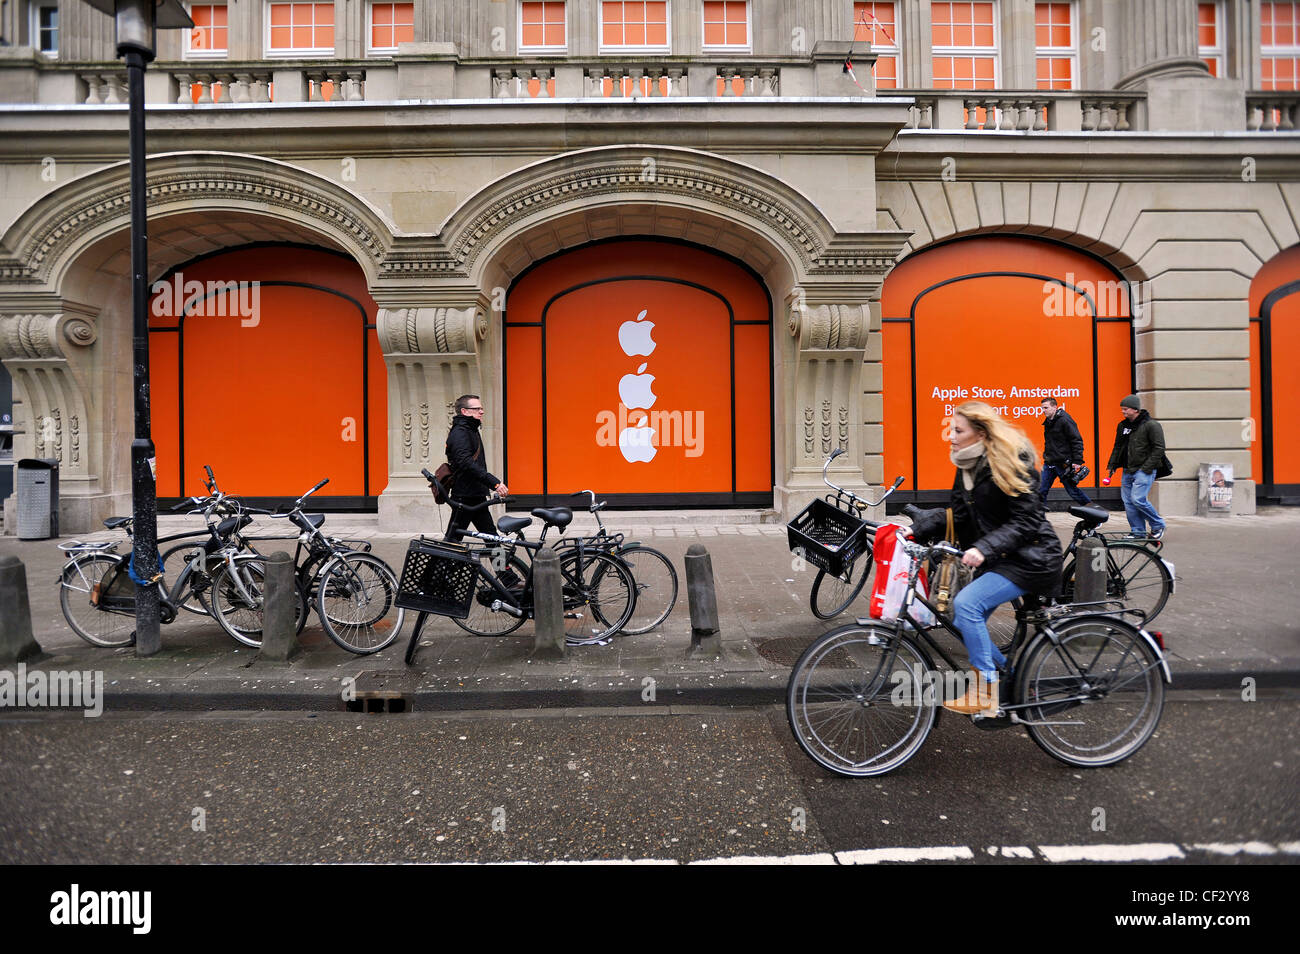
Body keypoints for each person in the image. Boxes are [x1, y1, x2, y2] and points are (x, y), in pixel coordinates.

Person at [908, 401, 1064, 717]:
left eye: (958, 430)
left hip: (1032, 556)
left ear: (979, 433)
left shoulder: (1010, 460)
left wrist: (984, 548)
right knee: (961, 617)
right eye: (952, 429)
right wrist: (914, 531)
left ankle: (987, 688)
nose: (950, 436)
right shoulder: (966, 466)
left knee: (967, 605)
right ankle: (1009, 676)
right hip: (1004, 557)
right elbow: (958, 516)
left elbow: (1027, 521)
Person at [443, 394, 509, 543]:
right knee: (452, 541)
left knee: (491, 538)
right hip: (465, 496)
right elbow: (466, 463)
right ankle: (439, 566)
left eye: (481, 408)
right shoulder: (460, 433)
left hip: (474, 496)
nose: (481, 411)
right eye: (477, 408)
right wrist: (495, 483)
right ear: (465, 411)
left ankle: (503, 567)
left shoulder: (470, 430)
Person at [1105, 394, 1166, 540]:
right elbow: (1118, 447)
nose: (1123, 412)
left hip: (1144, 469)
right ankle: (1137, 531)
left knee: (1137, 499)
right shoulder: (1123, 425)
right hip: (1127, 469)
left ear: (1135, 409)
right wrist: (1112, 465)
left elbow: (1159, 448)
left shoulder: (1151, 425)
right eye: (1122, 409)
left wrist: (1146, 468)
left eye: (1125, 409)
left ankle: (1158, 525)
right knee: (1128, 502)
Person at [1038, 397, 1092, 506]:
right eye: (1042, 408)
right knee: (1041, 490)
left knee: (1072, 491)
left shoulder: (1065, 420)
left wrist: (1077, 461)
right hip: (1050, 463)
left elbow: (1076, 440)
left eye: (1046, 408)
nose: (1043, 410)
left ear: (1054, 407)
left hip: (1063, 464)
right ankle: (1039, 519)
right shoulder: (1048, 421)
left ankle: (1096, 514)